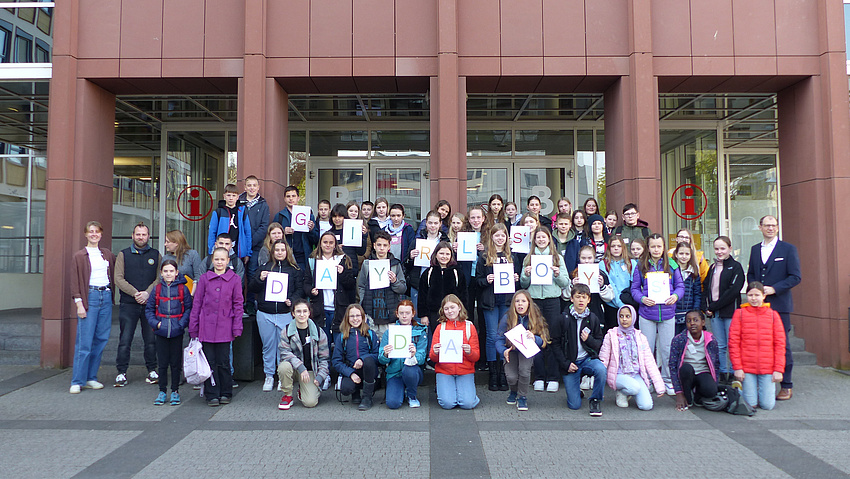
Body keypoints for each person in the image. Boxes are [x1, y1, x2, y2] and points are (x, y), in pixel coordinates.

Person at [746, 215, 801, 401]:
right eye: (767, 225)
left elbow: (795, 277)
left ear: (777, 228)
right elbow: (752, 273)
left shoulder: (788, 249)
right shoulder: (755, 250)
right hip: (758, 307)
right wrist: (755, 291)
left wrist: (774, 289)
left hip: (779, 305)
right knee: (758, 343)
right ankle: (762, 382)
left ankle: (786, 385)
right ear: (760, 227)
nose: (770, 228)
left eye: (774, 225)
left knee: (782, 344)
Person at [188, 247, 244, 407]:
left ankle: (226, 392)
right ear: (212, 261)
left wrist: (237, 326)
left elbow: (238, 304)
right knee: (209, 361)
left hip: (225, 327)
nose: (219, 262)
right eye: (216, 259)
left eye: (222, 259)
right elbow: (197, 303)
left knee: (223, 361)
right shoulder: (205, 278)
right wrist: (194, 326)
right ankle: (211, 393)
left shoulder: (234, 279)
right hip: (206, 327)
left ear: (228, 261)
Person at [630, 233, 683, 395]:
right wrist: (642, 299)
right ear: (648, 248)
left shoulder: (672, 264)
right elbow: (634, 289)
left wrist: (675, 296)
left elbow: (680, 286)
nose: (656, 249)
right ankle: (648, 380)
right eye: (653, 246)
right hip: (647, 314)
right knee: (646, 349)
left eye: (659, 246)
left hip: (667, 314)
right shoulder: (641, 265)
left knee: (667, 349)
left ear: (663, 247)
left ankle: (668, 380)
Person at [249, 239, 305, 392]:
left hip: (284, 314)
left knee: (284, 347)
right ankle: (268, 375)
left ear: (287, 252)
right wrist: (261, 279)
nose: (280, 252)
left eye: (282, 250)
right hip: (265, 313)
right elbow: (252, 287)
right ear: (272, 252)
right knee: (268, 346)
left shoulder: (294, 270)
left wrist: (292, 301)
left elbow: (300, 290)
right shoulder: (264, 268)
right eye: (277, 250)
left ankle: (283, 377)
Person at [69, 221, 116, 394]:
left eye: (97, 231)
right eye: (91, 232)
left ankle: (91, 378)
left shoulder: (107, 254)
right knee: (84, 341)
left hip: (106, 296)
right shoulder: (79, 256)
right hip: (90, 297)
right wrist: (79, 304)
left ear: (101, 234)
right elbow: (75, 283)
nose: (94, 234)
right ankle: (77, 380)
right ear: (86, 234)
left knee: (101, 339)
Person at [521, 227, 569, 393]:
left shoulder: (557, 258)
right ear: (534, 240)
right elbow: (523, 284)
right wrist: (526, 274)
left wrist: (557, 274)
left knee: (552, 337)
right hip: (534, 301)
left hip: (552, 300)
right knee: (535, 337)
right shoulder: (529, 258)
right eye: (538, 237)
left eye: (544, 237)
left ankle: (553, 377)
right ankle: (539, 376)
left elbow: (565, 283)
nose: (541, 240)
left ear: (549, 239)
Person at [114, 222, 161, 387]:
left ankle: (152, 370)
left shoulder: (155, 254)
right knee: (125, 339)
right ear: (133, 236)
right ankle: (121, 372)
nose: (141, 237)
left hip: (149, 304)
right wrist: (136, 293)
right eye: (138, 234)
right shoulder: (123, 254)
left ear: (148, 236)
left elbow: (159, 278)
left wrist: (147, 293)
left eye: (144, 234)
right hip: (129, 304)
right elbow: (118, 278)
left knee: (151, 339)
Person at [476, 223, 520, 391]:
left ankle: (503, 371)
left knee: (505, 335)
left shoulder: (512, 256)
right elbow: (478, 280)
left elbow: (519, 279)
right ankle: (493, 373)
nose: (500, 238)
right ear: (491, 237)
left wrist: (516, 278)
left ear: (506, 238)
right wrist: (486, 280)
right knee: (492, 336)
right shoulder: (484, 256)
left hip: (507, 301)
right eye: (497, 235)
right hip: (490, 301)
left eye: (503, 235)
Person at [550, 284, 606, 416]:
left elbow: (599, 343)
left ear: (589, 300)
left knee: (601, 370)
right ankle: (577, 390)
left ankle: (595, 399)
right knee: (574, 405)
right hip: (570, 362)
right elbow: (555, 344)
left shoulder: (593, 318)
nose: (581, 300)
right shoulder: (562, 319)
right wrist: (566, 364)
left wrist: (589, 340)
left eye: (584, 297)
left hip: (587, 359)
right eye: (578, 297)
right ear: (571, 299)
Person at [729, 282, 786, 410]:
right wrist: (737, 367)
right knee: (750, 404)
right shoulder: (740, 314)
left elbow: (780, 344)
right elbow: (733, 343)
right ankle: (739, 389)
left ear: (763, 296)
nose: (753, 298)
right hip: (747, 367)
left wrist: (778, 369)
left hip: (767, 367)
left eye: (757, 295)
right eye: (750, 295)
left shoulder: (773, 315)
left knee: (767, 405)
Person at [598, 305, 665, 410]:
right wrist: (599, 388)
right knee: (634, 387)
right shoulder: (611, 335)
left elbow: (650, 362)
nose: (624, 319)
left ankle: (628, 390)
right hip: (618, 374)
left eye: (628, 316)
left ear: (633, 318)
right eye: (621, 316)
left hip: (635, 374)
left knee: (646, 406)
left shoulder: (640, 337)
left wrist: (659, 386)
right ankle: (621, 392)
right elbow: (603, 360)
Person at [145, 259, 193, 406]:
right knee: (163, 363)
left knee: (175, 363)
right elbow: (150, 309)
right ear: (161, 273)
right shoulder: (157, 289)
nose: (168, 273)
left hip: (177, 331)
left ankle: (175, 391)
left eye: (171, 271)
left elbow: (188, 309)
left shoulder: (183, 289)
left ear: (176, 272)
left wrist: (181, 324)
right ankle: (162, 391)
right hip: (161, 331)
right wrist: (156, 324)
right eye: (165, 271)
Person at [495, 290, 549, 411]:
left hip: (527, 351)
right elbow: (498, 339)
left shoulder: (535, 317)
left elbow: (544, 340)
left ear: (529, 303)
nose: (520, 304)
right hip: (511, 350)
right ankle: (513, 391)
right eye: (517, 301)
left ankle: (522, 396)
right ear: (513, 304)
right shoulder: (507, 317)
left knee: (524, 371)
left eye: (523, 301)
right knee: (511, 377)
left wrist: (534, 338)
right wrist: (503, 351)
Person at [703, 235, 745, 384]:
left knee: (732, 343)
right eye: (716, 249)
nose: (719, 252)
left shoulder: (736, 267)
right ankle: (722, 373)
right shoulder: (713, 267)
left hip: (730, 312)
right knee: (720, 345)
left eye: (722, 248)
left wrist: (713, 306)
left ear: (730, 249)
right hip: (715, 313)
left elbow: (733, 292)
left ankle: (735, 373)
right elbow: (707, 287)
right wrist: (706, 306)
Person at [306, 231, 356, 352]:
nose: (328, 245)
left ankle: (340, 370)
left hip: (339, 309)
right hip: (320, 309)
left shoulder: (344, 260)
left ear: (335, 245)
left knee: (341, 343)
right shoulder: (313, 261)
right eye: (325, 242)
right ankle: (324, 370)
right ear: (320, 244)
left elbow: (351, 285)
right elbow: (306, 283)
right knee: (322, 345)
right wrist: (311, 291)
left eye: (331, 242)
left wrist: (342, 273)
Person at [429, 294, 481, 409]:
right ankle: (448, 389)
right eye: (446, 309)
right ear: (443, 311)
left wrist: (469, 352)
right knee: (447, 404)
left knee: (468, 404)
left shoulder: (469, 327)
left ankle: (464, 393)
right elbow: (432, 357)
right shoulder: (440, 328)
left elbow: (476, 356)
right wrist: (435, 352)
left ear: (459, 307)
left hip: (465, 370)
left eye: (452, 307)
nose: (450, 311)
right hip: (445, 371)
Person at [277, 299, 330, 410]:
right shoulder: (286, 331)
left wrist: (320, 377)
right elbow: (285, 353)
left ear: (309, 313)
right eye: (298, 311)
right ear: (293, 313)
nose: (302, 314)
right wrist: (301, 367)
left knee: (310, 403)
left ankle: (302, 390)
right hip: (294, 369)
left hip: (311, 370)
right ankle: (287, 395)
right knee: (283, 367)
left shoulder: (318, 332)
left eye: (305, 311)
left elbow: (324, 358)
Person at [378, 300, 428, 409]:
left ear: (413, 314)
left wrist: (414, 355)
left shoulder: (420, 332)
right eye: (401, 313)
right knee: (393, 404)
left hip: (413, 372)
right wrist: (385, 354)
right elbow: (381, 359)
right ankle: (402, 390)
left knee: (409, 369)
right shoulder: (389, 332)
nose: (404, 316)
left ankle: (412, 396)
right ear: (397, 314)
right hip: (395, 373)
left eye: (407, 313)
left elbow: (422, 358)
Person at [418, 241, 466, 352]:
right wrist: (424, 315)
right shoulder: (428, 272)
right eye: (441, 253)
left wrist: (462, 313)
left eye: (447, 254)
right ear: (436, 254)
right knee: (437, 338)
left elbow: (463, 293)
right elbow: (422, 295)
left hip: (454, 313)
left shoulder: (457, 272)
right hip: (434, 312)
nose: (444, 257)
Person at [357, 231, 407, 336]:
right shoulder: (367, 264)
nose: (381, 248)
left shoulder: (395, 264)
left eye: (385, 245)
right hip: (371, 314)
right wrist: (363, 301)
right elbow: (361, 285)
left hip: (389, 314)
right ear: (374, 245)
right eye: (379, 245)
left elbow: (403, 289)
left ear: (389, 246)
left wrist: (394, 281)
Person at [669, 310, 720, 411]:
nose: (692, 323)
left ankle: (698, 396)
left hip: (703, 372)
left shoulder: (711, 340)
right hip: (687, 374)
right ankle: (687, 396)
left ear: (703, 322)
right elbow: (673, 366)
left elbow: (716, 364)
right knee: (686, 369)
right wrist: (678, 393)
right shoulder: (678, 340)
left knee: (711, 391)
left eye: (695, 320)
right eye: (688, 321)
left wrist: (715, 383)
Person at [332, 304, 380, 411]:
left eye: (358, 315)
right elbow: (336, 361)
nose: (355, 319)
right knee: (346, 389)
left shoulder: (370, 334)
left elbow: (377, 355)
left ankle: (367, 397)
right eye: (351, 316)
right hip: (351, 369)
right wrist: (350, 373)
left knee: (368, 360)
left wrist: (362, 359)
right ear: (347, 318)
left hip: (368, 370)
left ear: (363, 317)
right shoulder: (342, 337)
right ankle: (355, 392)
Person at [406, 210, 449, 311]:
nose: (432, 226)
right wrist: (411, 257)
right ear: (426, 223)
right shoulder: (417, 241)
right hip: (418, 284)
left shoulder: (445, 242)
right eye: (430, 223)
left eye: (435, 223)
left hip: (439, 285)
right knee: (418, 318)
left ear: (440, 224)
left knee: (437, 316)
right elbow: (407, 265)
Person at [239, 175, 270, 315]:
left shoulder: (263, 204)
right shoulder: (238, 202)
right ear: (245, 187)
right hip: (238, 246)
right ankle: (238, 303)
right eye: (249, 185)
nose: (252, 188)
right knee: (237, 275)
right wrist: (242, 245)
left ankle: (250, 303)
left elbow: (264, 227)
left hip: (255, 247)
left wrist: (249, 245)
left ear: (258, 187)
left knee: (252, 274)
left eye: (254, 185)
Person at [272, 185, 319, 272]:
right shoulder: (279, 216)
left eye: (293, 196)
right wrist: (282, 232)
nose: (291, 199)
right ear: (284, 199)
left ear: (298, 198)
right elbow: (271, 237)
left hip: (303, 256)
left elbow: (316, 240)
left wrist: (311, 230)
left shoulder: (308, 215)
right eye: (288, 196)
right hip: (285, 256)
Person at [206, 183, 252, 260]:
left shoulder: (242, 211)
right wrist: (212, 251)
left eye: (233, 196)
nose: (231, 198)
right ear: (224, 196)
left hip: (238, 249)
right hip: (221, 248)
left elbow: (247, 232)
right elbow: (212, 232)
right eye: (228, 195)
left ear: (237, 197)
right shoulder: (218, 212)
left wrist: (247, 252)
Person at [600, 236, 632, 331]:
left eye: (619, 246)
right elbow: (610, 284)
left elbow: (634, 284)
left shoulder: (631, 262)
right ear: (609, 248)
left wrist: (627, 304)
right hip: (611, 304)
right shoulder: (603, 264)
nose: (616, 248)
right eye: (613, 246)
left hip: (629, 304)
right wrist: (620, 304)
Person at [328, 203, 366, 276]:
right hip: (333, 270)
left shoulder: (352, 230)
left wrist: (363, 236)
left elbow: (361, 252)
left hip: (351, 268)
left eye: (340, 216)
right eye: (334, 216)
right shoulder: (329, 234)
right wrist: (336, 249)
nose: (337, 219)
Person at [673, 242, 702, 336]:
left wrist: (695, 310)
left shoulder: (694, 271)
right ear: (676, 254)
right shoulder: (670, 271)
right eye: (681, 253)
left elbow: (697, 293)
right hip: (673, 314)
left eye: (687, 254)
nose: (684, 256)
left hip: (689, 314)